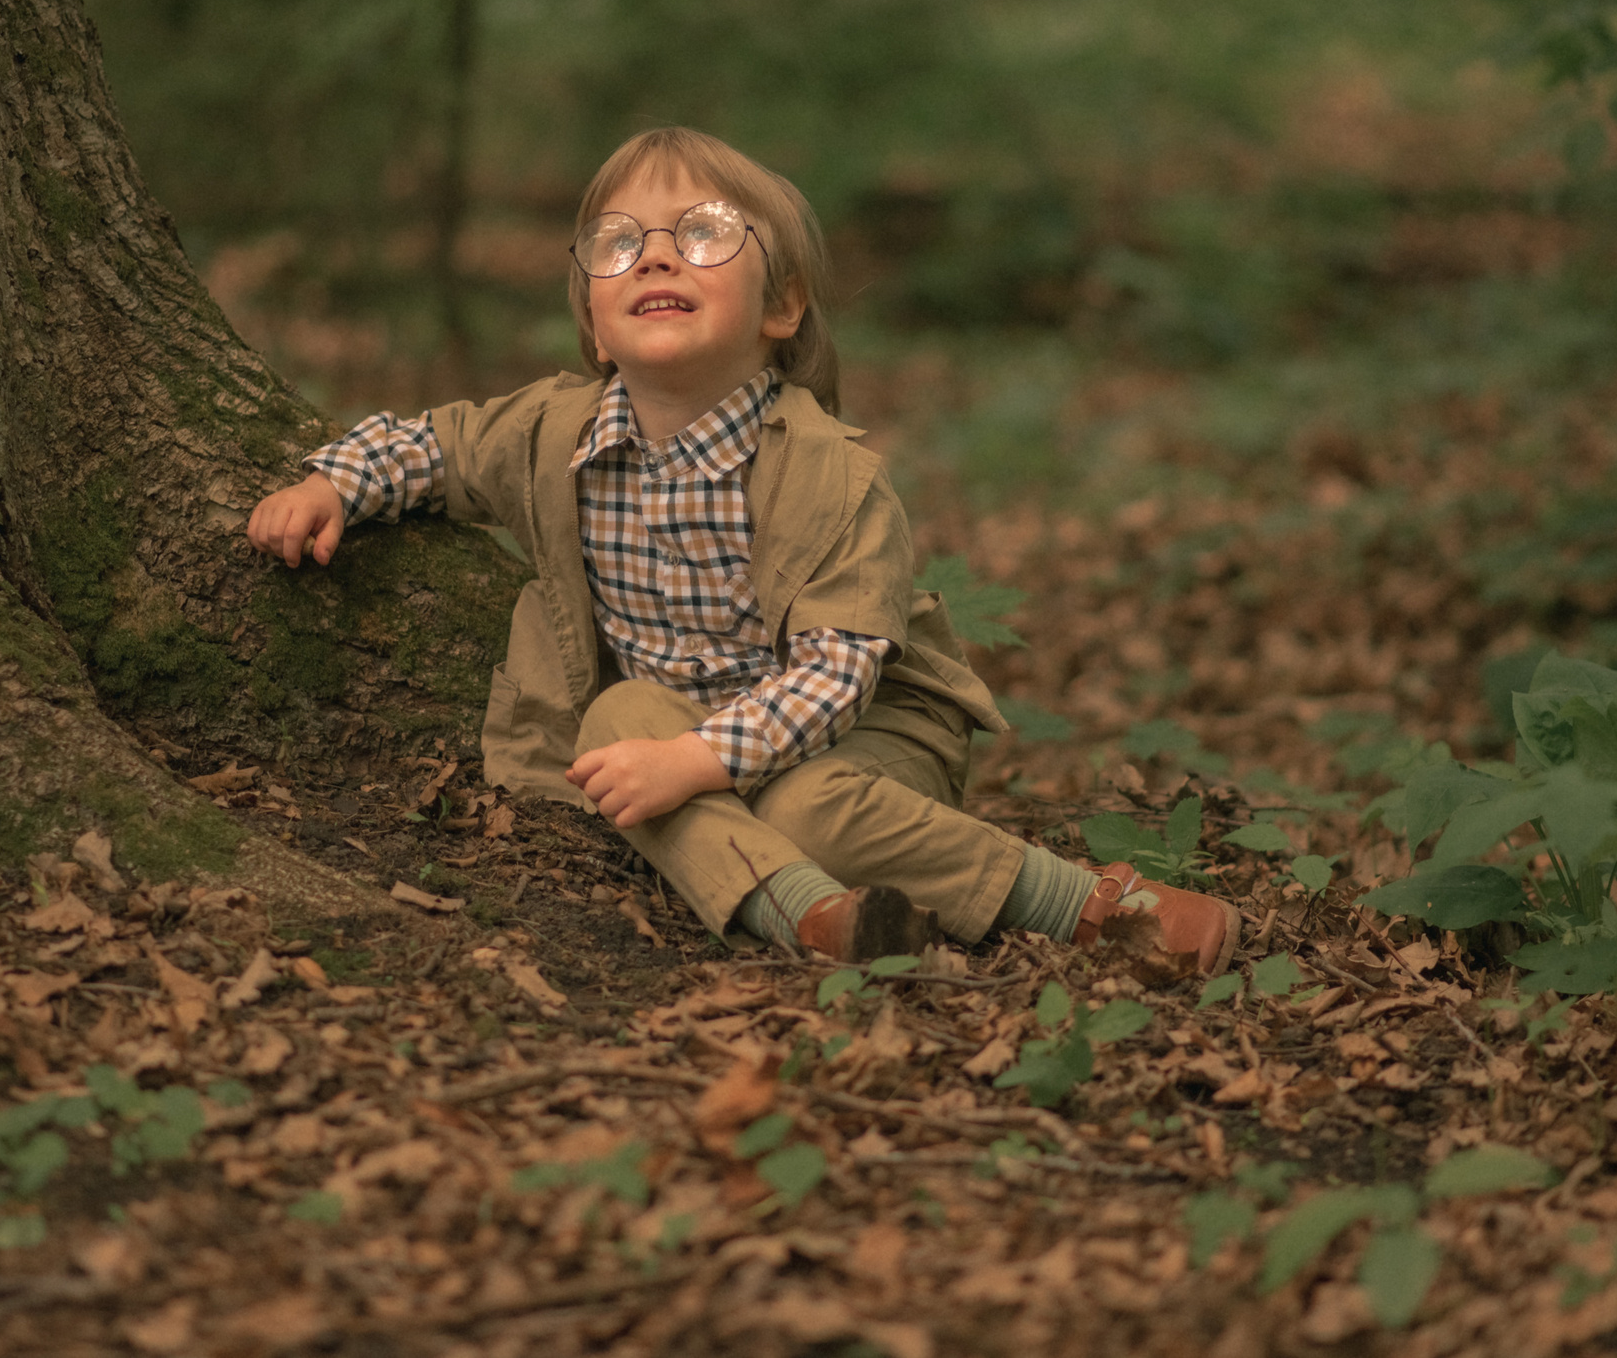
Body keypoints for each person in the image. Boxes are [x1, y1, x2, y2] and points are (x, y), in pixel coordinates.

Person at [245, 127, 1238, 971]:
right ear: (592, 320)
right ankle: (814, 916)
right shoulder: (553, 431)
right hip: (679, 722)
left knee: (803, 800)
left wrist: (696, 757)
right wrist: (332, 481)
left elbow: (836, 677)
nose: (657, 256)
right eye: (619, 241)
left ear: (781, 306)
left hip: (864, 737)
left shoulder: (829, 475)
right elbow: (441, 443)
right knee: (616, 721)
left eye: (706, 234)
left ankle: (1090, 905)